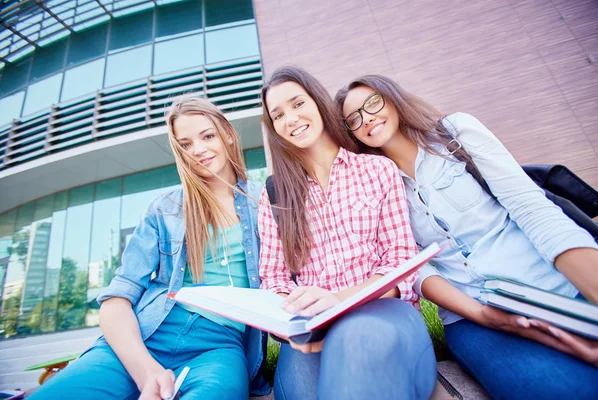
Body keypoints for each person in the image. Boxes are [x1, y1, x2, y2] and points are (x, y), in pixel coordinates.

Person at [335, 75, 598, 399]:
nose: (368, 118)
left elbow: (531, 208)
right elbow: (412, 266)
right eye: (354, 119)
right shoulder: (374, 184)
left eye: (372, 102)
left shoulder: (455, 133)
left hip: (544, 283)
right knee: (555, 389)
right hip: (472, 313)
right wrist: (483, 315)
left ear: (392, 97)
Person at [29, 97, 269, 400]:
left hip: (218, 348)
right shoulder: (164, 209)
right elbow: (117, 299)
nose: (198, 149)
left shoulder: (263, 203)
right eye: (185, 144)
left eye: (207, 136)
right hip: (148, 335)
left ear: (228, 134)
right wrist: (146, 372)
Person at [258, 66, 437, 400]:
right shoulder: (274, 195)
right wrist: (295, 317)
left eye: (297, 104)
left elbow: (400, 263)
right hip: (313, 327)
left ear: (318, 101)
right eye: (278, 115)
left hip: (382, 311)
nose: (291, 119)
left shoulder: (376, 169)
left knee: (358, 360)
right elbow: (274, 279)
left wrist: (339, 301)